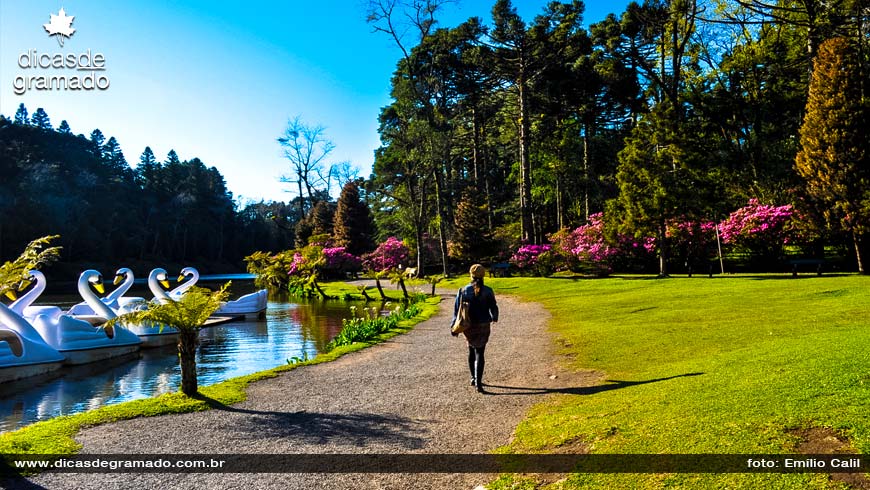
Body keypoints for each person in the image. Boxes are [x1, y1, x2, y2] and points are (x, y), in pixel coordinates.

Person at [452, 264, 498, 393]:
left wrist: (453, 327)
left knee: (471, 351)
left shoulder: (463, 290)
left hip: (468, 326)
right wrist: (494, 316)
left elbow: (457, 311)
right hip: (483, 325)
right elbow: (493, 306)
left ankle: (473, 378)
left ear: (470, 275)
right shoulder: (488, 290)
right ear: (483, 276)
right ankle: (478, 383)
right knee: (480, 352)